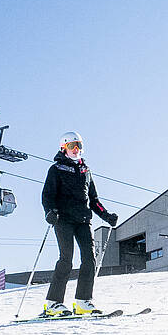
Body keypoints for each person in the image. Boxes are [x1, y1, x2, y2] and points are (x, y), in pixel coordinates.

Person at [40, 131, 120, 317]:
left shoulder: (86, 171)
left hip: (84, 220)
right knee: (66, 259)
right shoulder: (56, 169)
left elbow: (94, 200)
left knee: (89, 260)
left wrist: (106, 216)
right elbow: (47, 195)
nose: (76, 150)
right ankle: (53, 304)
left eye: (79, 146)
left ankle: (83, 302)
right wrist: (50, 212)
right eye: (71, 146)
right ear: (63, 148)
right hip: (63, 219)